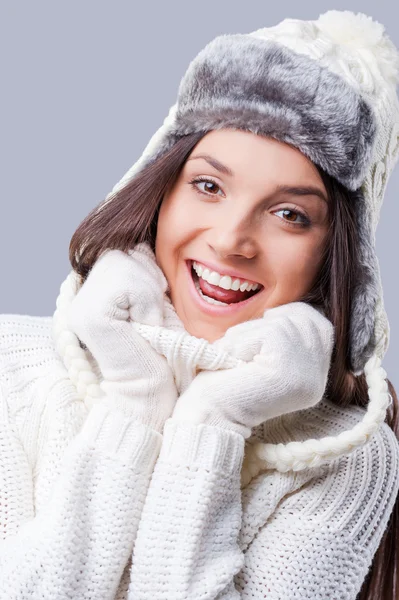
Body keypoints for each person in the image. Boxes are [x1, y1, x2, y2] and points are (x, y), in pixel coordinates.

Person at [1, 8, 399, 600]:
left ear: (337, 255)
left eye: (290, 215)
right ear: (160, 189)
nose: (231, 240)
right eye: (208, 186)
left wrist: (215, 420)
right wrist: (138, 399)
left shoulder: (348, 456)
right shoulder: (12, 364)